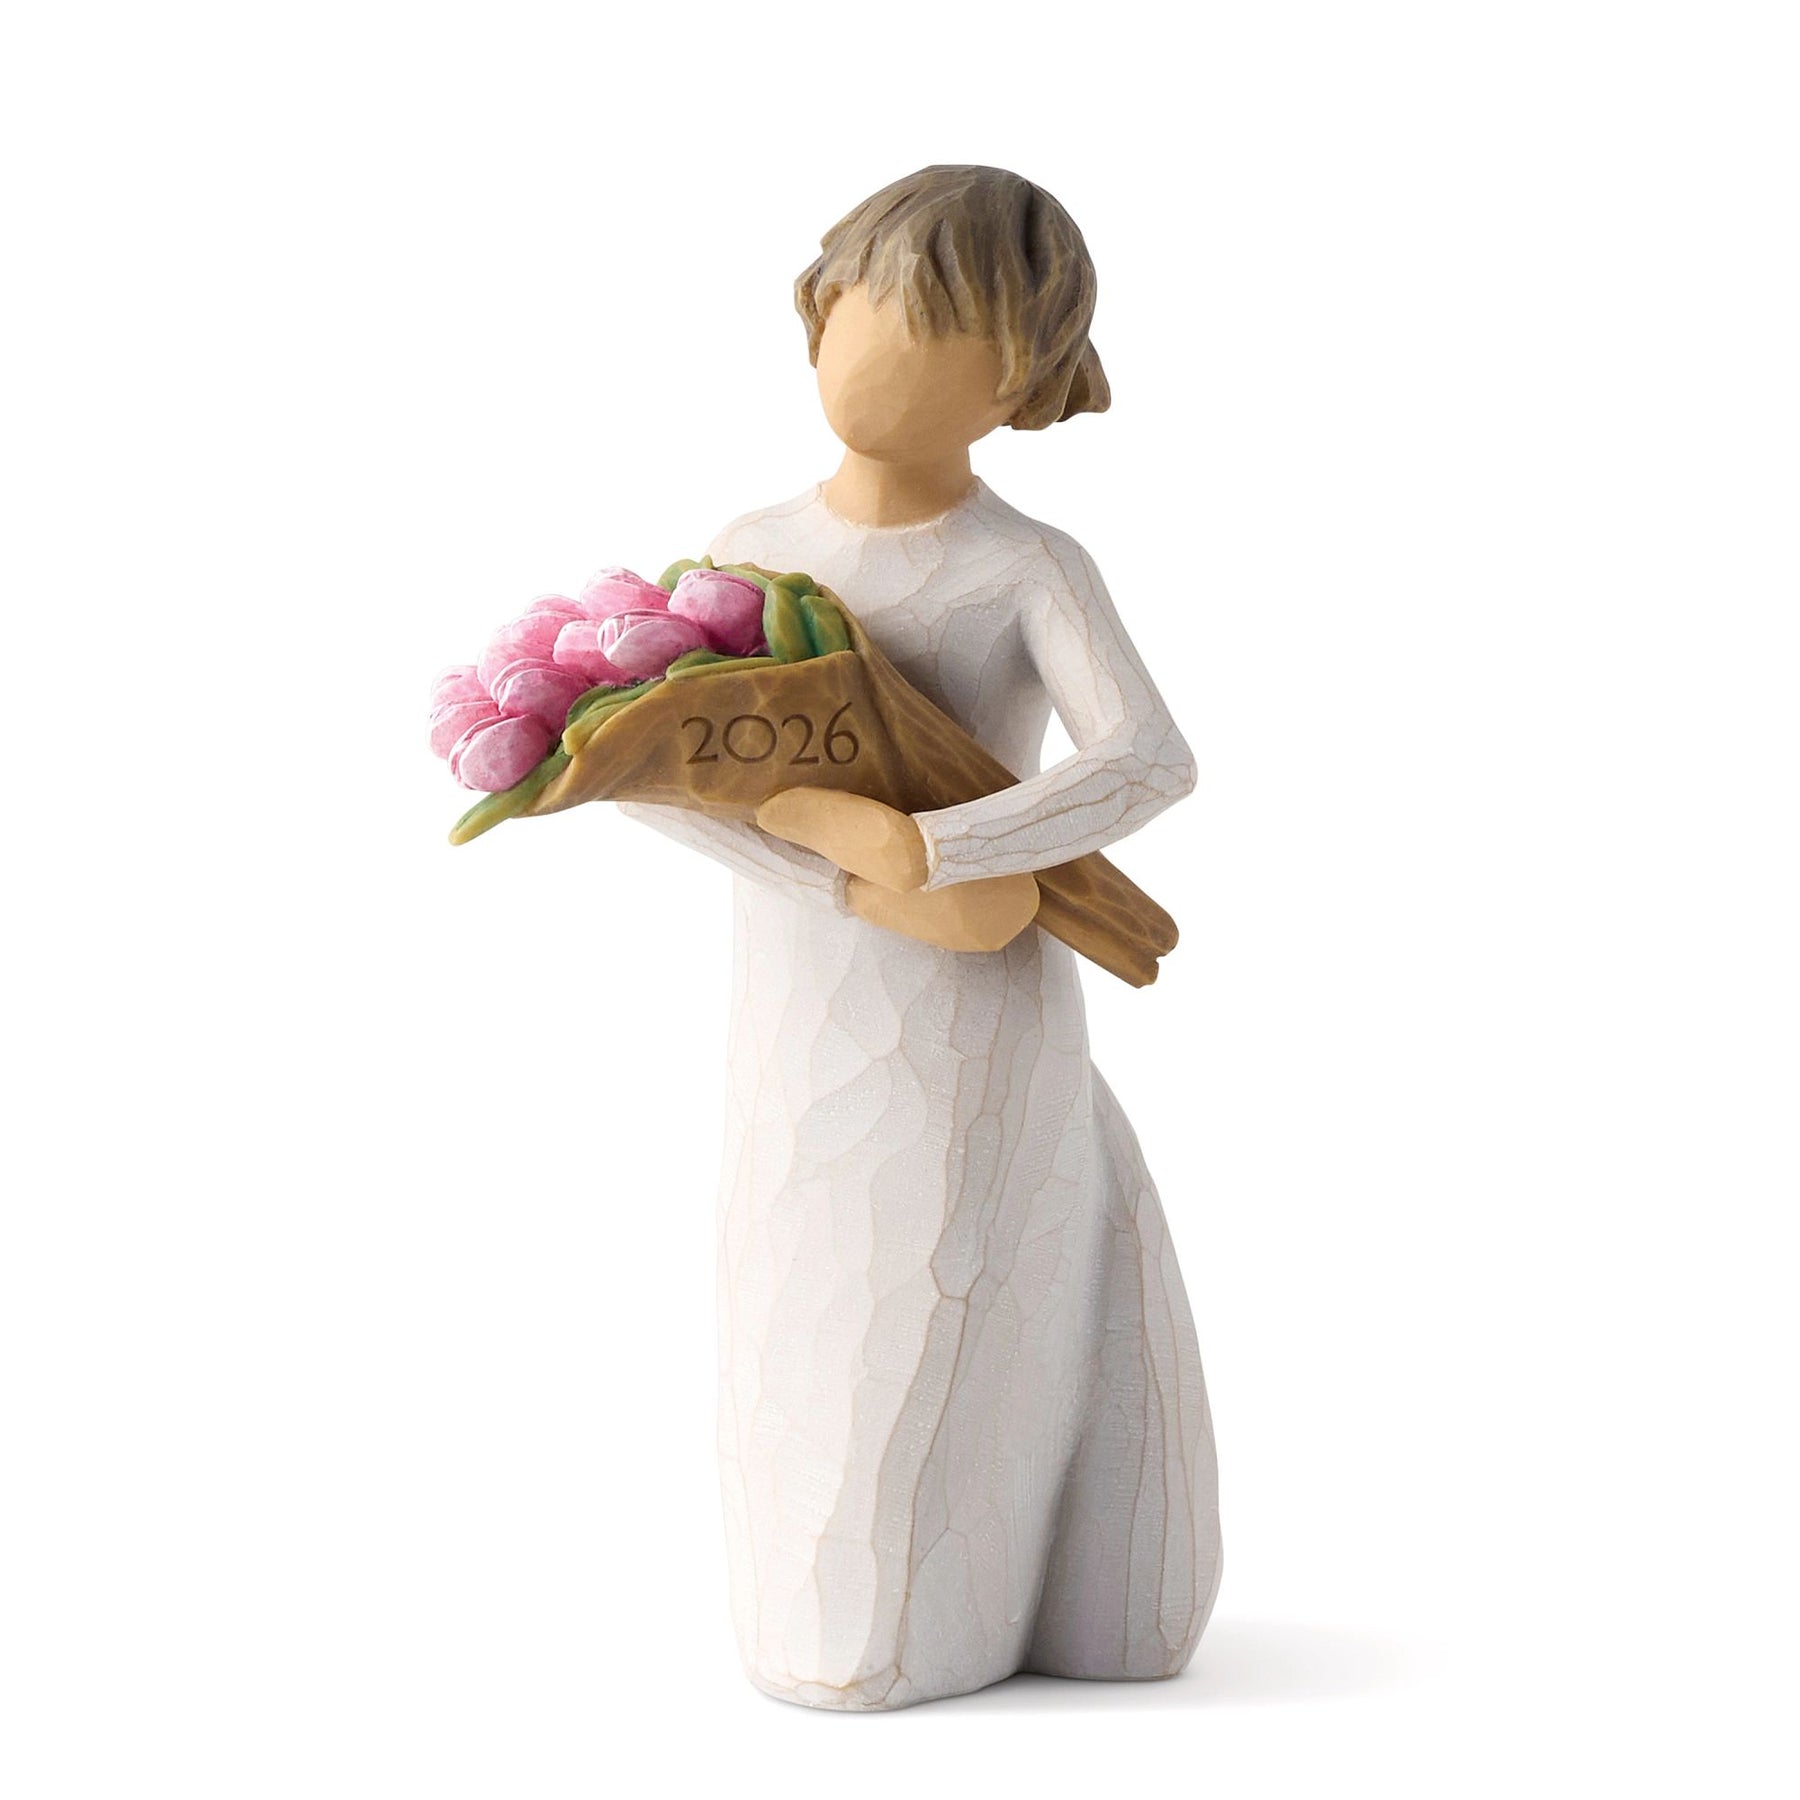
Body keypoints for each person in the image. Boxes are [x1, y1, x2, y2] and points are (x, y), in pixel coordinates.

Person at [620, 166, 1220, 1710]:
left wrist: (941, 851)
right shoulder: (750, 555)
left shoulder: (1025, 565)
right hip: (805, 996)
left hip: (981, 1006)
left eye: (944, 335)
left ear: (1017, 381)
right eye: (870, 311)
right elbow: (659, 771)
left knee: (972, 1267)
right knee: (810, 1275)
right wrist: (845, 881)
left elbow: (1148, 758)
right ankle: (849, 1629)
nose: (886, 355)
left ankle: (1010, 1602)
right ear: (817, 311)